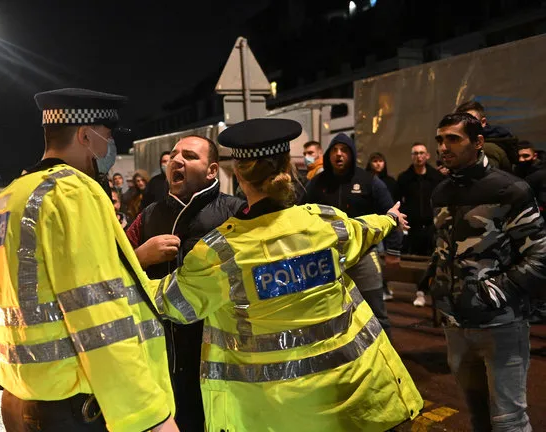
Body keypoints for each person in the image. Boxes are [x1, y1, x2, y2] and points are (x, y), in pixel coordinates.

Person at [146, 118, 423, 431]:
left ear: (236, 173)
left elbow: (166, 302)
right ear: (288, 169)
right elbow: (365, 228)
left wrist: (137, 258)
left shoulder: (221, 253)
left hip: (279, 415)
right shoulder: (324, 223)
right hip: (362, 401)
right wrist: (389, 218)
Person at [0, 88, 177, 432]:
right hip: (73, 406)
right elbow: (98, 316)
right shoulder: (73, 193)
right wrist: (150, 417)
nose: (109, 149)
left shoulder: (6, 199)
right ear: (85, 135)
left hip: (18, 396)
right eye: (108, 138)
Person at [429, 112, 546, 431]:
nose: (443, 147)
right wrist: (439, 292)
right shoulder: (440, 193)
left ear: (478, 142)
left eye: (453, 139)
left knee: (509, 420)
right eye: (440, 139)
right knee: (477, 416)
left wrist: (492, 291)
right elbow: (443, 252)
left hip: (500, 324)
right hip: (456, 326)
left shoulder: (509, 189)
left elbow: (540, 255)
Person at [126, 135, 245, 432]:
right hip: (161, 352)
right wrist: (140, 256)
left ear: (212, 170)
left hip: (220, 350)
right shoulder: (148, 216)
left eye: (190, 156)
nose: (176, 160)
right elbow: (113, 273)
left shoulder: (236, 212)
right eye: (175, 155)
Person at [301, 132, 402, 339]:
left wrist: (393, 250)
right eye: (335, 150)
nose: (339, 154)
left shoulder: (369, 181)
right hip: (326, 259)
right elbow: (300, 214)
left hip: (364, 256)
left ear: (352, 153)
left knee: (375, 312)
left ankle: (389, 362)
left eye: (344, 150)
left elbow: (392, 214)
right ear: (328, 154)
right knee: (331, 313)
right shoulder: (317, 183)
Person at [396, 143, 444, 307]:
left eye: (421, 153)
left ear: (427, 155)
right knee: (414, 261)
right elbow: (398, 202)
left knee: (433, 260)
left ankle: (429, 291)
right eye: (415, 153)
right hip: (413, 227)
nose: (418, 156)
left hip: (432, 226)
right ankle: (420, 291)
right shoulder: (404, 178)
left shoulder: (436, 177)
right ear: (412, 156)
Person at [514, 141, 546, 324]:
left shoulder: (539, 175)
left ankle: (540, 308)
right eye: (520, 156)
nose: (522, 159)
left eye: (526, 156)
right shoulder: (522, 173)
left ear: (534, 156)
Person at [366, 152, 399, 301]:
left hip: (388, 221)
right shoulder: (366, 180)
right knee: (376, 257)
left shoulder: (390, 182)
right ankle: (380, 286)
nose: (378, 164)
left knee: (387, 255)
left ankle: (386, 285)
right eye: (375, 161)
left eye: (380, 161)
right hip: (373, 224)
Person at [455, 100, 518, 172]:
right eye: (461, 122)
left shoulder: (486, 148)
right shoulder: (495, 138)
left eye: (471, 121)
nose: (465, 125)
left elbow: (486, 178)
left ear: (483, 122)